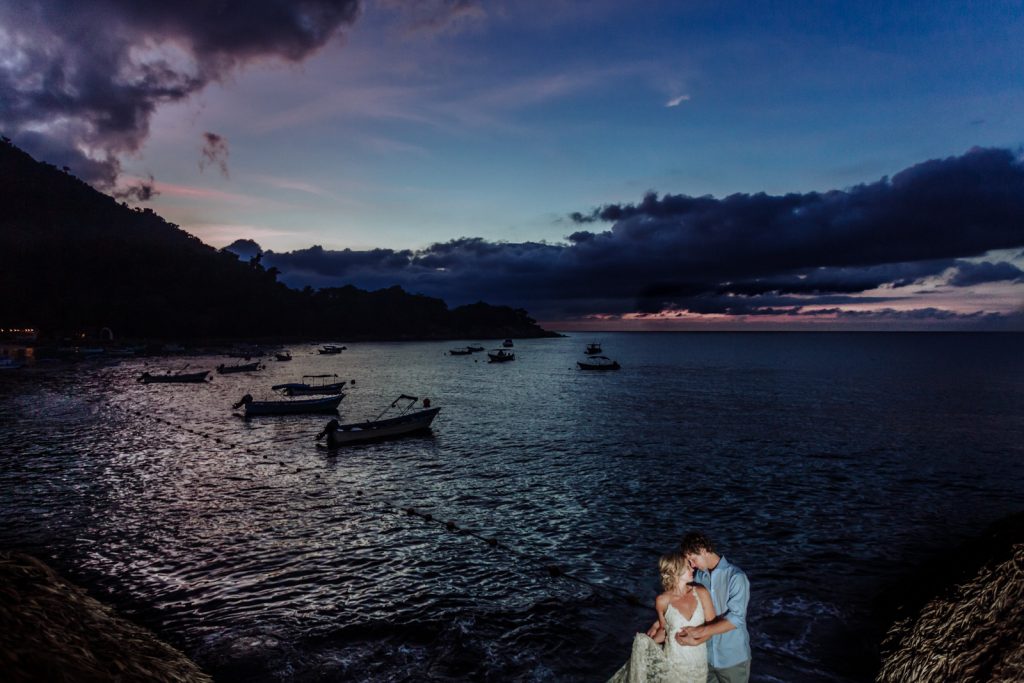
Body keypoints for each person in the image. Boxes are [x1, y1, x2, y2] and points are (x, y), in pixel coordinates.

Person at [608, 551, 716, 682]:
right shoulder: (662, 600)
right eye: (687, 567)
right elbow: (665, 631)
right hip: (674, 664)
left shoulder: (701, 592)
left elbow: (713, 627)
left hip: (699, 664)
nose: (692, 568)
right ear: (675, 572)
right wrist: (646, 642)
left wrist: (697, 640)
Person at [675, 532, 751, 683]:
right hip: (706, 657)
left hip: (732, 659)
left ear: (703, 550)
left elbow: (736, 619)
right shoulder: (698, 578)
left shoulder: (736, 577)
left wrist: (699, 631)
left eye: (693, 559)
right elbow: (682, 600)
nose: (692, 565)